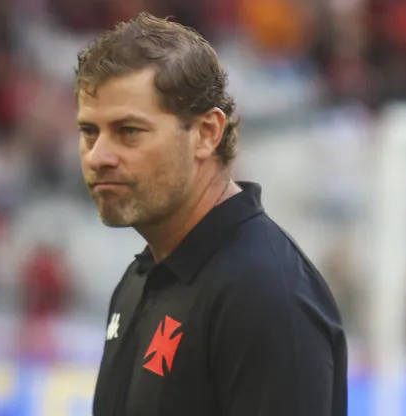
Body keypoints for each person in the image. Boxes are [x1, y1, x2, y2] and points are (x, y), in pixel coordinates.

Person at [75, 13, 347, 416]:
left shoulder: (265, 294)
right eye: (89, 132)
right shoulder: (140, 280)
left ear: (206, 133)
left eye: (128, 131)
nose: (98, 156)